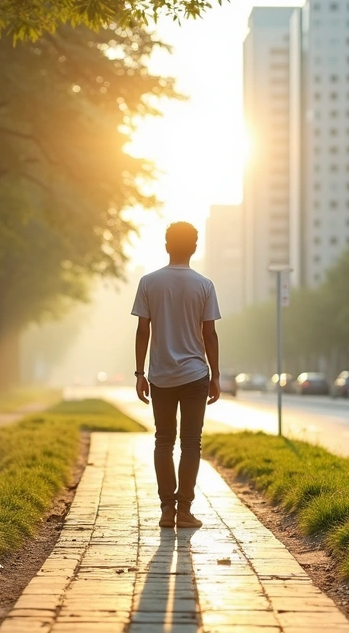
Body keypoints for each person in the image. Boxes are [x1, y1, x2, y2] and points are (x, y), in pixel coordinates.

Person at [131, 221, 221, 529]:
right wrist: (216, 376)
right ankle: (185, 510)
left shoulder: (149, 282)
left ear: (167, 245)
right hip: (196, 374)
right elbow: (209, 334)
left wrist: (140, 372)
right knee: (191, 443)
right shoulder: (204, 285)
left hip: (161, 376)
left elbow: (143, 329)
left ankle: (167, 510)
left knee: (163, 441)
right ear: (194, 247)